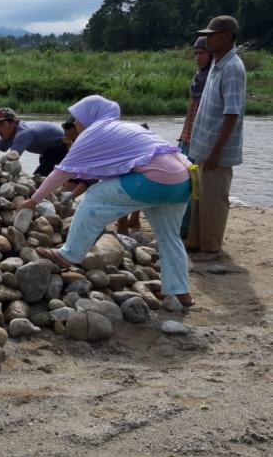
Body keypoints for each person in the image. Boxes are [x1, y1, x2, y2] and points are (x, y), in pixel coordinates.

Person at [20, 95, 193, 307]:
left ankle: (69, 254)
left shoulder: (95, 132)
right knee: (169, 236)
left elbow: (62, 172)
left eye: (76, 119)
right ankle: (180, 292)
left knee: (94, 196)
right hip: (182, 179)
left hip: (155, 178)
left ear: (89, 116)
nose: (74, 124)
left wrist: (34, 200)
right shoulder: (122, 127)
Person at [187, 16, 246, 261]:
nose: (208, 38)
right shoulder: (217, 63)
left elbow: (231, 113)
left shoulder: (232, 68)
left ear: (228, 37)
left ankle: (211, 248)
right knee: (199, 195)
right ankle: (196, 241)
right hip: (202, 146)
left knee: (214, 199)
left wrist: (216, 151)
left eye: (213, 34)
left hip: (216, 151)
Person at [177, 37, 212, 240]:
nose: (198, 57)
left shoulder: (211, 79)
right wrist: (182, 137)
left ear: (210, 55)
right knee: (185, 184)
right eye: (196, 53)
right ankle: (184, 227)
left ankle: (189, 230)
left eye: (202, 53)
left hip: (199, 143)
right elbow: (191, 113)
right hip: (187, 138)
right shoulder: (198, 77)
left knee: (195, 187)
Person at [0, 107, 68, 176]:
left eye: (1, 125)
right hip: (46, 152)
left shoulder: (23, 133)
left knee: (38, 179)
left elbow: (11, 160)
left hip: (62, 148)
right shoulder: (8, 135)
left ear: (13, 122)